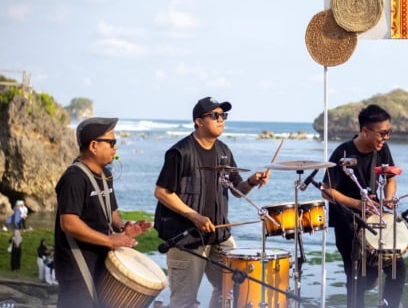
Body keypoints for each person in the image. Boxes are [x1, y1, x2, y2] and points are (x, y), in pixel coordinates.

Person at [154, 96, 270, 308]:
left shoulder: (224, 151)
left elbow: (237, 190)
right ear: (199, 121)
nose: (221, 120)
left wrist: (252, 181)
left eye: (223, 115)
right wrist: (194, 216)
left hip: (219, 236)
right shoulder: (180, 152)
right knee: (184, 301)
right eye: (215, 115)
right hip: (185, 238)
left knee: (233, 286)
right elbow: (162, 192)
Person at [54, 117, 152, 308]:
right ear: (93, 145)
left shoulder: (105, 174)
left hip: (102, 263)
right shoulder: (74, 178)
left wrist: (123, 228)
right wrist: (109, 240)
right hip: (76, 268)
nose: (115, 147)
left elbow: (110, 210)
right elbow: (68, 223)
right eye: (111, 142)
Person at [321, 104, 405, 308]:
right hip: (348, 225)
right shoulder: (343, 152)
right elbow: (326, 190)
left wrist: (388, 197)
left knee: (398, 269)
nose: (386, 137)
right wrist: (358, 204)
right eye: (382, 133)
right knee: (357, 279)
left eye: (389, 132)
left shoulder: (383, 150)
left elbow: (391, 177)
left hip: (375, 223)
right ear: (365, 131)